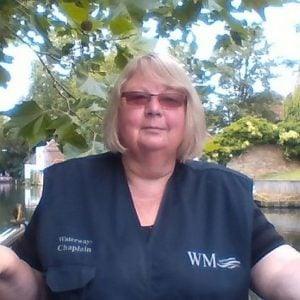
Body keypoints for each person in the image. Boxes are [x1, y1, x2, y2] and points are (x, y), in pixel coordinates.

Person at [1, 53, 300, 300]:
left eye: (170, 99)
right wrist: (9, 268)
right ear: (118, 113)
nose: (154, 108)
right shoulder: (66, 189)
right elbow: (34, 289)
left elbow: (281, 267)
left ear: (187, 115)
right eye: (138, 98)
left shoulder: (226, 193)